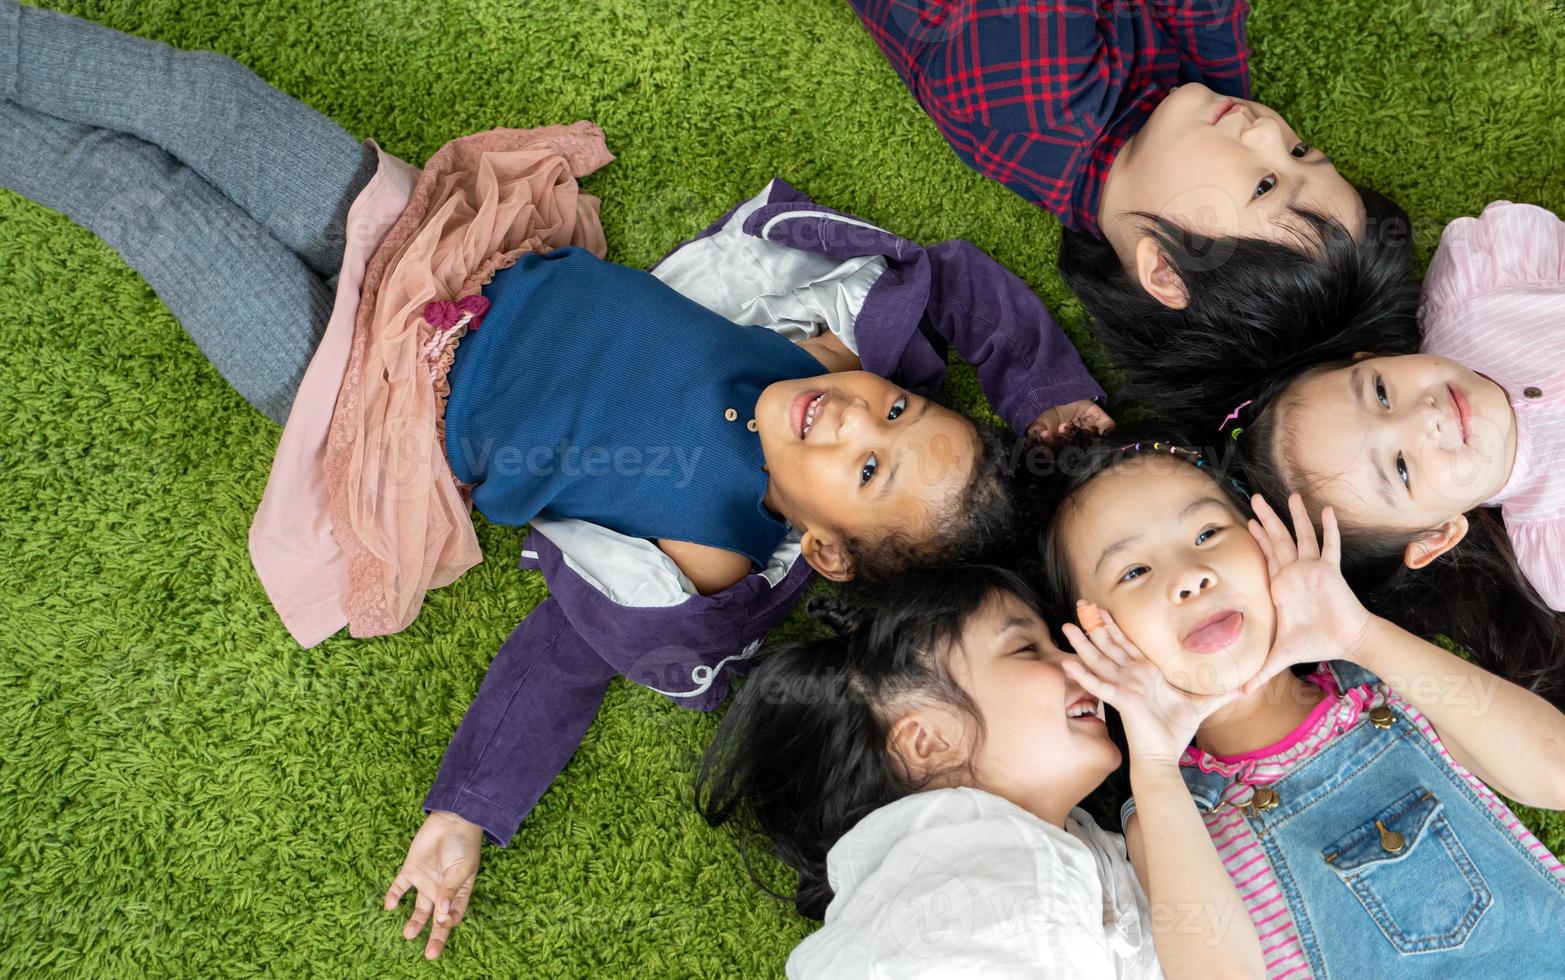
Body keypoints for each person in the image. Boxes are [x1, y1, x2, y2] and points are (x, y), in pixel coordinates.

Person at [1037, 434, 1565, 977]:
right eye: (1134, 572)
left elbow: (1556, 770)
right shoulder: (1170, 810)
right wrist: (1153, 766)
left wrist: (1360, 636)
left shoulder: (1389, 685)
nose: (1189, 577)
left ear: (1269, 540)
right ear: (1094, 639)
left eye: (1207, 532)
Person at [696, 565, 1262, 978]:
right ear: (928, 742)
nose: (1079, 660)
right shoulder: (984, 872)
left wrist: (1154, 792)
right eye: (1026, 650)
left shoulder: (1025, 850)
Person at [847, 0, 1418, 380]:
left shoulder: (1037, 108)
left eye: (1266, 185)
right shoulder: (1194, 119)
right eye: (1301, 152)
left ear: (1167, 269)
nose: (1268, 129)